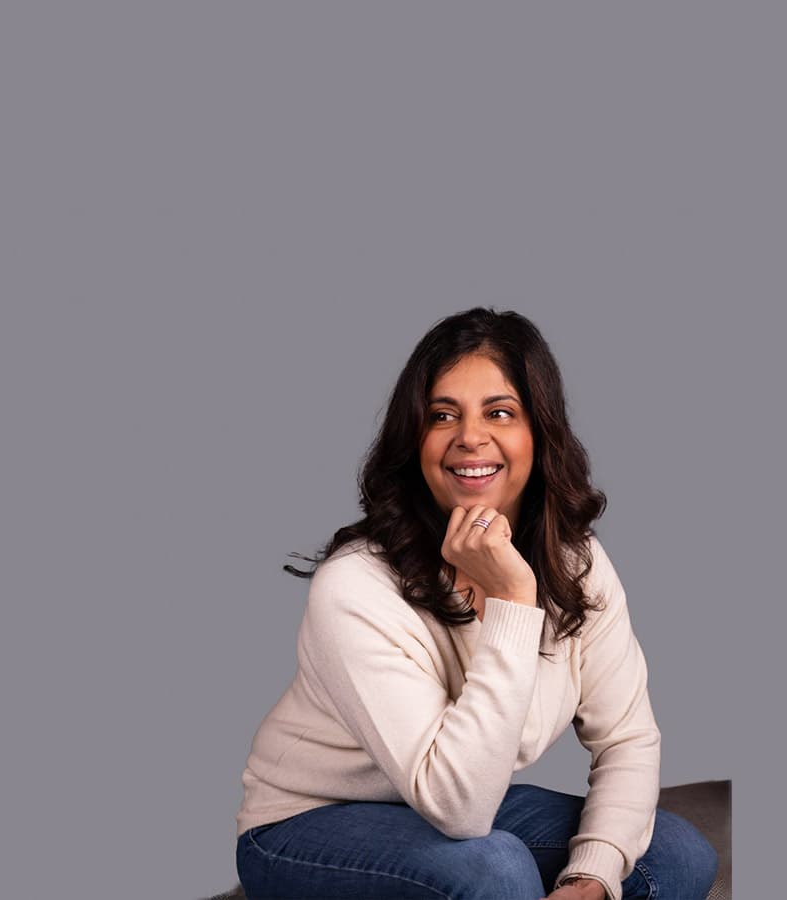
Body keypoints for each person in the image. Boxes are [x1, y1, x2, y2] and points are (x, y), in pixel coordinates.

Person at [234, 309, 717, 900]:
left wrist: (590, 876)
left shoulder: (575, 562)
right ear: (416, 440)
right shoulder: (356, 584)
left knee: (672, 855)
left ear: (538, 434)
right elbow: (457, 808)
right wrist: (514, 600)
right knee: (492, 868)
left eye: (500, 412)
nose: (470, 437)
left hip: (461, 804)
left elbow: (627, 739)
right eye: (443, 415)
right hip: (306, 824)